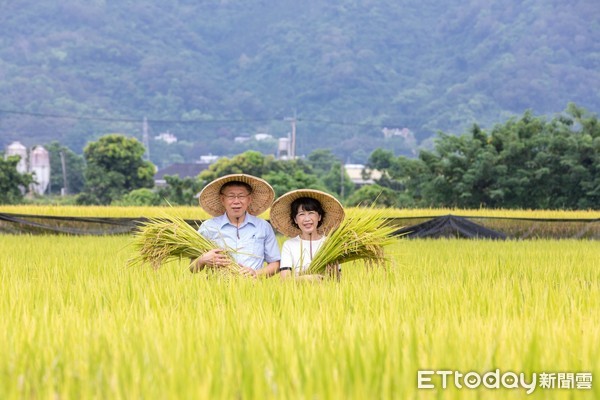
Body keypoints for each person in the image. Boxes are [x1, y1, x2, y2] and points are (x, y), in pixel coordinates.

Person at [190, 174, 280, 278]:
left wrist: (256, 274)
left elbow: (275, 264)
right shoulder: (208, 227)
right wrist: (203, 260)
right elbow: (192, 267)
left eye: (241, 196)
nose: (236, 201)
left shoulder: (263, 227)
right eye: (231, 196)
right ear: (222, 199)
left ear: (249, 199)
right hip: (217, 290)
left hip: (253, 290)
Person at [269, 189, 345, 281]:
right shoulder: (289, 245)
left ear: (319, 217)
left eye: (311, 213)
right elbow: (285, 280)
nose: (307, 219)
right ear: (295, 220)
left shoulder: (329, 244)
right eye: (301, 214)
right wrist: (307, 278)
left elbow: (338, 280)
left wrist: (334, 273)